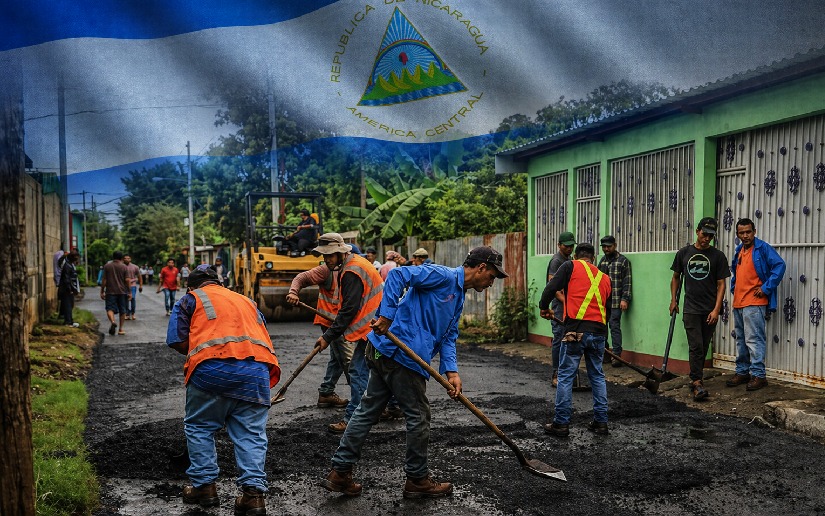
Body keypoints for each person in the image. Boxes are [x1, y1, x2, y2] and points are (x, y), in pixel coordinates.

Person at [321, 246, 507, 498]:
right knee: (418, 416)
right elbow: (399, 276)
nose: (492, 282)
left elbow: (449, 336)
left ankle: (340, 472)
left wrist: (451, 371)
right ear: (482, 267)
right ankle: (417, 479)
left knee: (366, 411)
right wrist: (386, 315)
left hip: (386, 351)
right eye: (493, 276)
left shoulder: (458, 295)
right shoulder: (444, 276)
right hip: (400, 354)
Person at [166, 264, 280, 515]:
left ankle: (204, 488)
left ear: (190, 286)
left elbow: (177, 340)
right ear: (219, 283)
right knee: (251, 433)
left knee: (200, 426)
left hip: (212, 371)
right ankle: (253, 496)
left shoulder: (189, 300)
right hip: (257, 371)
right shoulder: (246, 300)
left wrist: (206, 353)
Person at [289, 233, 383, 434]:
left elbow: (348, 311)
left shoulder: (351, 271)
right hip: (376, 327)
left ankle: (354, 419)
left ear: (341, 252)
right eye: (325, 256)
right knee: (374, 370)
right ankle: (382, 408)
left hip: (373, 328)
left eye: (330, 255)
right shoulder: (351, 265)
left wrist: (327, 337)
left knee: (357, 370)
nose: (327, 259)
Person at [540, 242, 612, 437]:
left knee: (565, 376)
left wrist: (543, 307)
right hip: (598, 333)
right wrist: (605, 341)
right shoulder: (605, 278)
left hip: (575, 332)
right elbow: (608, 311)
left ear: (576, 256)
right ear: (593, 258)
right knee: (597, 376)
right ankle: (601, 423)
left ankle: (561, 424)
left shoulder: (570, 266)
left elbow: (551, 287)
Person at [670, 217, 730, 401]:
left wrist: (716, 309)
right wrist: (673, 300)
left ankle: (696, 376)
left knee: (703, 346)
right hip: (690, 308)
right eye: (704, 234)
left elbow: (721, 285)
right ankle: (696, 382)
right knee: (696, 345)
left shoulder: (718, 256)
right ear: (697, 231)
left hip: (710, 309)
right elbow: (676, 278)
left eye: (710, 236)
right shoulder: (684, 253)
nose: (706, 239)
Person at [726, 218, 786, 391]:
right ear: (737, 234)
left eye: (748, 232)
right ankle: (743, 372)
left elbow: (779, 266)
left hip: (754, 302)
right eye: (741, 232)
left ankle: (759, 376)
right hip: (739, 302)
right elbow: (736, 273)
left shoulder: (762, 248)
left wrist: (766, 288)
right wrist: (734, 289)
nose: (745, 235)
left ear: (754, 231)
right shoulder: (739, 250)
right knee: (741, 340)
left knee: (754, 339)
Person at [287, 263, 354, 412]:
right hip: (332, 323)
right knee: (350, 361)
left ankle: (326, 392)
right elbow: (301, 277)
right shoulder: (326, 270)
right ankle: (362, 401)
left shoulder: (352, 270)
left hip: (343, 322)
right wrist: (293, 292)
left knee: (337, 358)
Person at [546, 231, 576, 387]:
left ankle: (568, 373)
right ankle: (556, 374)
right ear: (559, 245)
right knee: (558, 339)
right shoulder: (556, 261)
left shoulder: (570, 260)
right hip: (559, 307)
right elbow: (553, 287)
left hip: (569, 306)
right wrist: (567, 302)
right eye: (566, 246)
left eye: (572, 246)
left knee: (570, 339)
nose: (569, 249)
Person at [597, 235, 632, 366]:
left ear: (615, 246)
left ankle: (617, 356)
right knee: (602, 328)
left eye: (609, 246)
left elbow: (627, 282)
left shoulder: (623, 261)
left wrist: (625, 299)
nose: (606, 249)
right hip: (603, 301)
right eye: (604, 247)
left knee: (614, 326)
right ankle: (605, 354)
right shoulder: (602, 262)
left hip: (617, 301)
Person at [100, 251, 131, 336]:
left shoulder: (107, 266)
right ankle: (120, 329)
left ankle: (113, 321)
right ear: (121, 258)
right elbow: (127, 280)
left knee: (109, 309)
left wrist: (102, 291)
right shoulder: (124, 267)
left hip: (110, 291)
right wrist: (129, 291)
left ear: (113, 257)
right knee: (123, 310)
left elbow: (104, 280)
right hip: (122, 291)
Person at [58, 250, 81, 327]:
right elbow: (66, 279)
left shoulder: (70, 265)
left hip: (68, 289)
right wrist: (69, 289)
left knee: (70, 305)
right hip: (66, 289)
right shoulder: (67, 266)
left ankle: (69, 321)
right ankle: (68, 322)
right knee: (68, 305)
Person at [123, 254, 143, 320]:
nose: (126, 259)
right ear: (123, 259)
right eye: (125, 258)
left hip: (133, 285)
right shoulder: (121, 267)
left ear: (130, 259)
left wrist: (140, 285)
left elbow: (139, 276)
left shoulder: (135, 267)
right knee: (125, 300)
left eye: (128, 258)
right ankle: (127, 313)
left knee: (133, 299)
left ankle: (133, 313)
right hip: (124, 286)